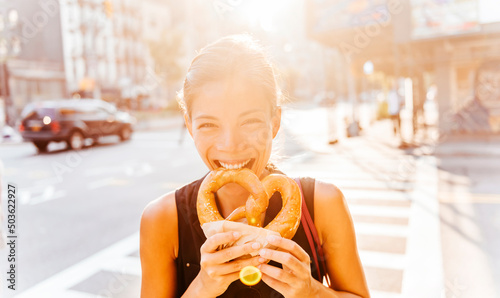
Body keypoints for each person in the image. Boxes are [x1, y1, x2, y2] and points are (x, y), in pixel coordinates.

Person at [140, 35, 370, 298]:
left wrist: (313, 292)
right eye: (209, 125)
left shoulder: (323, 205)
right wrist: (202, 287)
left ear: (275, 122)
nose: (230, 145)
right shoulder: (162, 220)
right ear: (190, 126)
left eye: (249, 122)